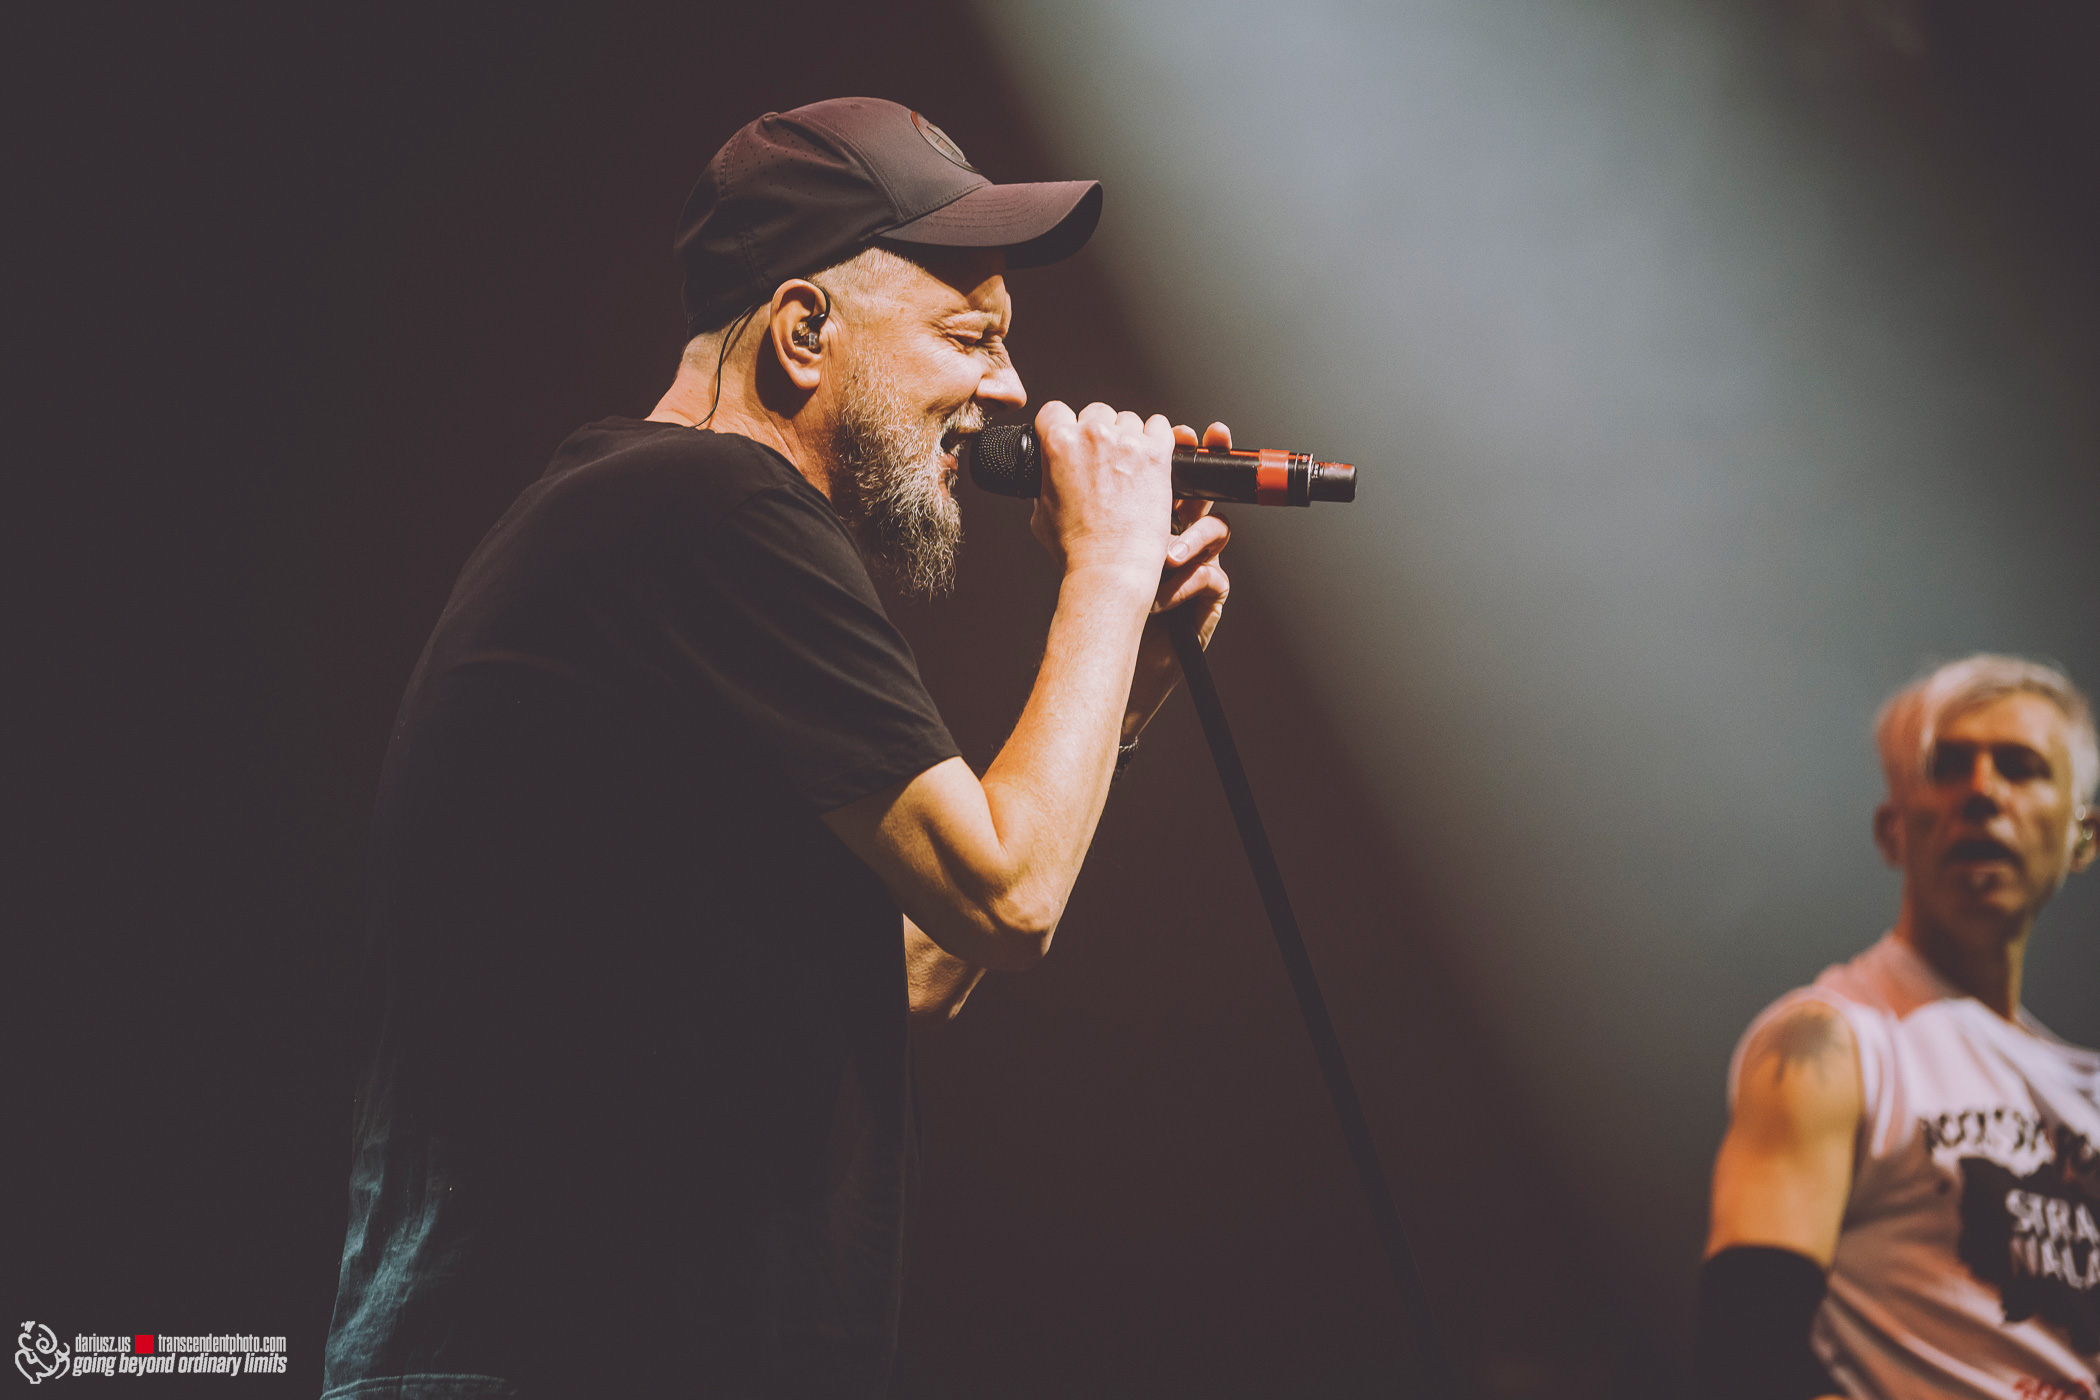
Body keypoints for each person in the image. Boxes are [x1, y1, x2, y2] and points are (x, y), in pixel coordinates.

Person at [320, 97, 1235, 1400]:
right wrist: (1106, 572)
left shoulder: (644, 525)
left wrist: (1124, 686)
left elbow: (909, 966)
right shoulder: (710, 502)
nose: (1013, 393)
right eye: (971, 337)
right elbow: (1006, 894)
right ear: (804, 332)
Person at [1698, 655, 2100, 1400]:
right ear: (1893, 832)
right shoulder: (1834, 1044)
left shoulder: (2090, 1095)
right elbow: (1747, 1364)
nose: (1982, 791)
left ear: (2085, 836)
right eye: (1946, 768)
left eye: (2021, 767)